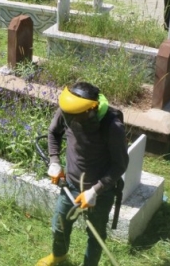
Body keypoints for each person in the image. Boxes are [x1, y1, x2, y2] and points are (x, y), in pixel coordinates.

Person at [35, 82, 128, 266]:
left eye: (74, 119)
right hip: (70, 185)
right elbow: (53, 132)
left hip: (100, 194)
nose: (68, 121)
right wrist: (54, 161)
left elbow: (120, 165)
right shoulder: (70, 111)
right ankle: (59, 256)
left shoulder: (112, 127)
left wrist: (96, 191)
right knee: (59, 227)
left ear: (91, 111)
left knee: (95, 235)